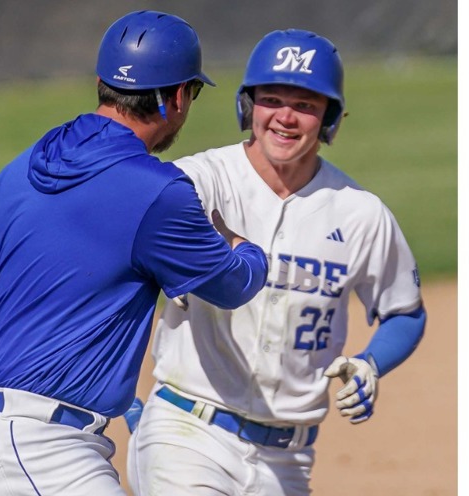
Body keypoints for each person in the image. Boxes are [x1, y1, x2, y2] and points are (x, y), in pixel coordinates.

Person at [0, 10, 270, 496]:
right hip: (42, 447)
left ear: (102, 83)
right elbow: (233, 284)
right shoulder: (158, 193)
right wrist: (243, 245)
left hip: (19, 438)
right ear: (178, 97)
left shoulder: (21, 167)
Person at [126, 29, 428, 495]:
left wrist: (371, 362)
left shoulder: (359, 212)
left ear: (329, 118)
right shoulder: (199, 183)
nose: (286, 117)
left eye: (305, 105)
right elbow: (119, 272)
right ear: (248, 106)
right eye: (272, 99)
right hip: (186, 436)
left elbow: (404, 312)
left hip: (288, 461)